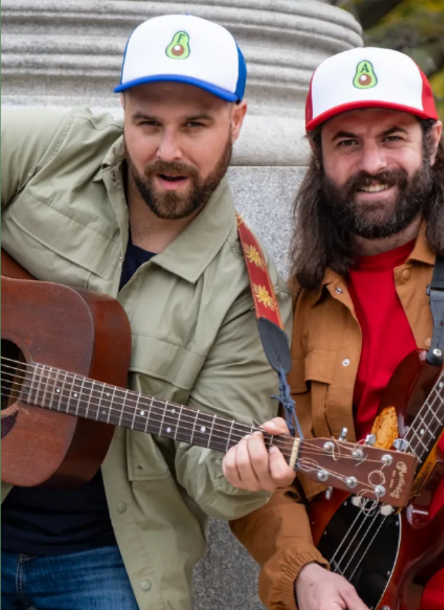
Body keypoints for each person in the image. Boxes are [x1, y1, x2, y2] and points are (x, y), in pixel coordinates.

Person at [229, 47, 444, 610]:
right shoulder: (297, 305)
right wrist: (301, 573)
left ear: (431, 141)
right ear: (318, 154)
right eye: (347, 142)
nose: (372, 162)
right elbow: (270, 470)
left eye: (393, 137)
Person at [1, 14, 294, 610]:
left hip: (108, 559)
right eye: (147, 123)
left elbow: (206, 471)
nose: (168, 151)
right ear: (123, 111)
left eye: (195, 125)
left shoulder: (248, 291)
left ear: (237, 120)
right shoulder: (56, 149)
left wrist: (243, 476)